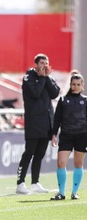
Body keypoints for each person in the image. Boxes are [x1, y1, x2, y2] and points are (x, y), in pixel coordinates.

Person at [16, 53, 60, 194]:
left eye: (46, 63)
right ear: (36, 64)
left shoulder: (47, 77)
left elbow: (55, 94)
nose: (44, 66)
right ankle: (20, 183)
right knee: (29, 153)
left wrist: (46, 77)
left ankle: (35, 183)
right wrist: (42, 78)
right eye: (42, 63)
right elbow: (35, 93)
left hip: (46, 122)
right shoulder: (29, 77)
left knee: (40, 154)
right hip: (34, 121)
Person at [50, 71, 87, 200]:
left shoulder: (85, 100)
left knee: (78, 164)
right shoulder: (63, 100)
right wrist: (54, 134)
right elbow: (57, 118)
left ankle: (74, 192)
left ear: (82, 85)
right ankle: (61, 192)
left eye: (78, 84)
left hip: (82, 135)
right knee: (61, 163)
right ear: (70, 85)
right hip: (66, 135)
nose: (75, 86)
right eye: (73, 84)